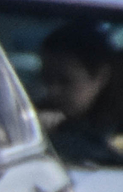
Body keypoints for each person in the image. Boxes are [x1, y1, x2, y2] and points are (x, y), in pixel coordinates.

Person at [39, 21, 122, 167]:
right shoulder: (30, 117)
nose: (52, 90)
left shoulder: (116, 130)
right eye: (47, 79)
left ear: (100, 77)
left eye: (65, 81)